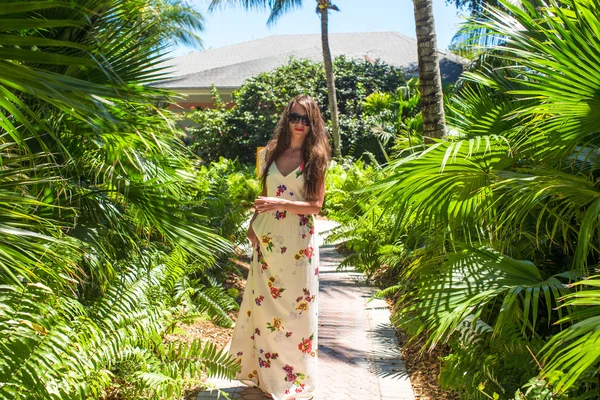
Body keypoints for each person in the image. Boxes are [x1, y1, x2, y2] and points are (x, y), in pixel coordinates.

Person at [228, 94, 330, 400]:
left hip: (299, 246)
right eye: (294, 117)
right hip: (267, 240)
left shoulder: (317, 157)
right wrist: (252, 225)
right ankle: (265, 377)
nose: (299, 124)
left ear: (314, 124)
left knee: (295, 312)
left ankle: (291, 380)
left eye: (305, 119)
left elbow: (316, 206)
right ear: (286, 119)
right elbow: (262, 197)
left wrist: (279, 202)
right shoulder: (269, 153)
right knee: (263, 308)